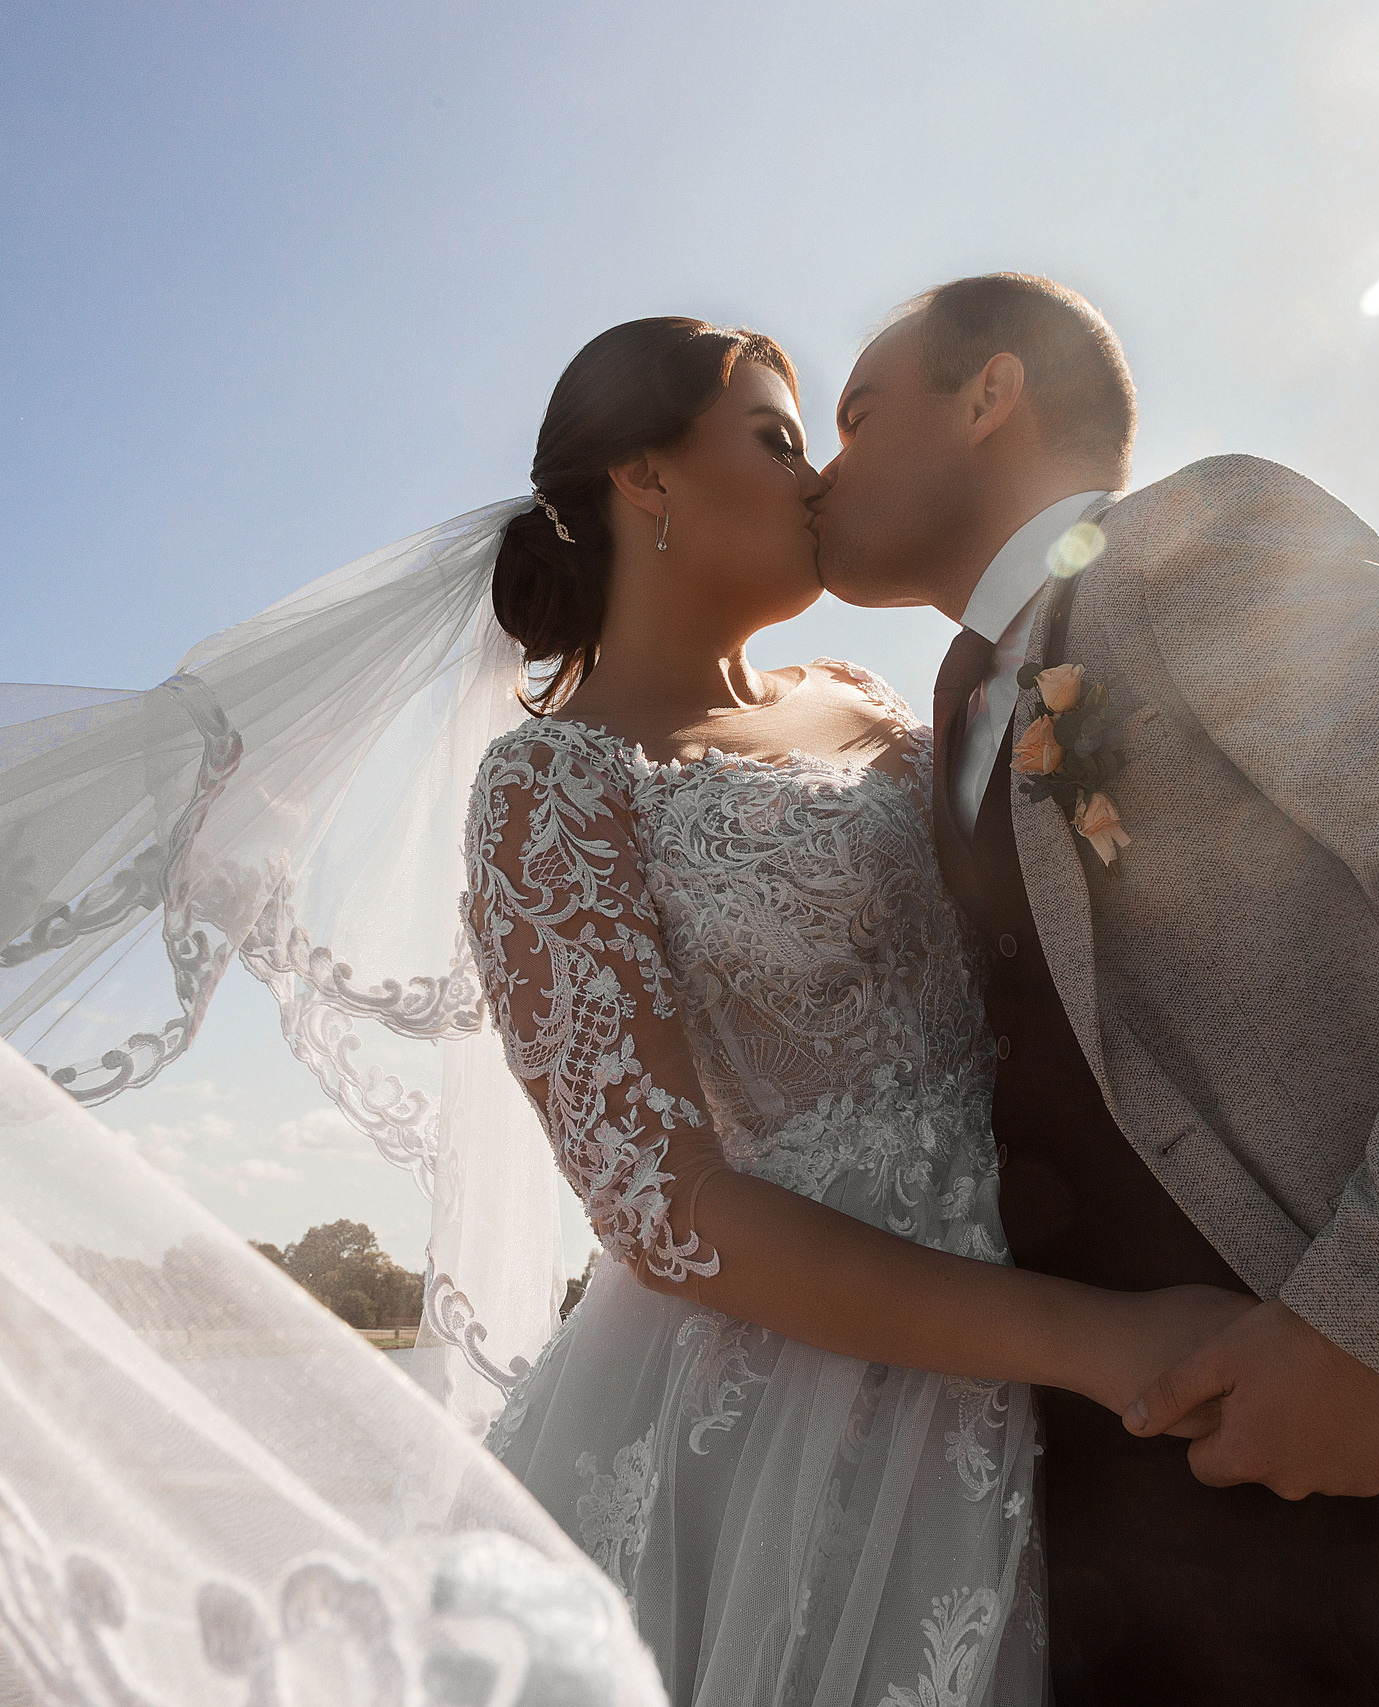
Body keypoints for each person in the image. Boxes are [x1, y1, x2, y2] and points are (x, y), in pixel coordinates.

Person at [807, 273, 1379, 1703]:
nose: (825, 472)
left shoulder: (1206, 543)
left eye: (858, 418)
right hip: (1061, 1495)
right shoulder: (947, 698)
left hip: (1331, 1492)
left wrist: (1375, 1335)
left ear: (991, 394)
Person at [460, 317, 1256, 1706]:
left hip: (1085, 1272)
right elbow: (660, 1201)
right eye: (775, 441)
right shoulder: (553, 788)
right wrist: (1091, 1339)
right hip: (799, 1404)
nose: (818, 478)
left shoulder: (869, 701)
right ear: (645, 480)